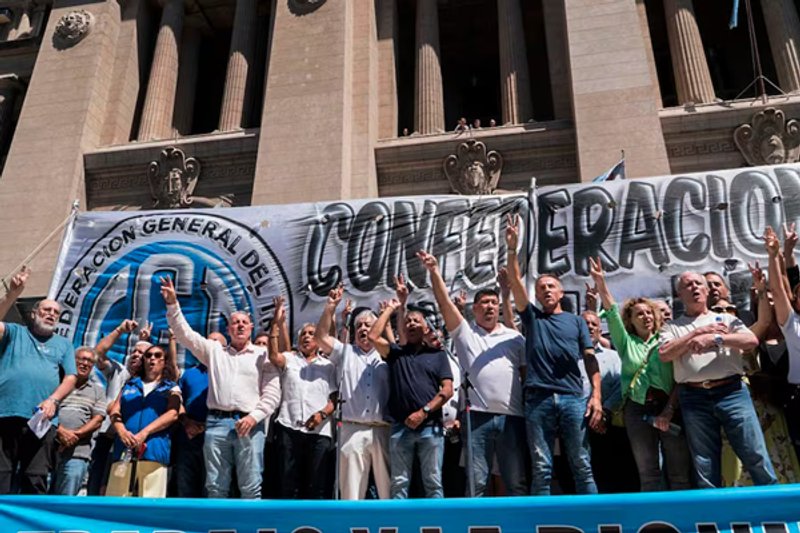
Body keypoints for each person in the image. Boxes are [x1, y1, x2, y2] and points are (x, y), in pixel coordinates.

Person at [505, 215, 603, 495]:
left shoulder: (577, 321)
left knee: (582, 463)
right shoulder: (533, 318)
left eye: (550, 286)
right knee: (542, 466)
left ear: (561, 293)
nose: (545, 290)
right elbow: (514, 281)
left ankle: (594, 520)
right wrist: (512, 249)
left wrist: (595, 396)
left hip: (573, 397)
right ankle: (541, 521)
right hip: (538, 399)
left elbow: (590, 359)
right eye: (540, 288)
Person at [417, 250, 527, 496]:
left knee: (516, 482)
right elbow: (444, 303)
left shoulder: (515, 338)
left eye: (494, 303)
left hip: (513, 417)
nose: (489, 307)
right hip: (476, 418)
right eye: (484, 303)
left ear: (499, 308)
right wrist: (434, 271)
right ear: (474, 309)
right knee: (476, 484)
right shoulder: (465, 334)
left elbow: (525, 376)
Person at [163, 277, 281, 499]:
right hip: (216, 424)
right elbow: (185, 335)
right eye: (235, 322)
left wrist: (254, 417)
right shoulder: (216, 352)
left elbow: (273, 394)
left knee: (251, 487)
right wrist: (172, 305)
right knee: (216, 487)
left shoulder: (264, 356)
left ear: (251, 328)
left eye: (244, 322)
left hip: (249, 424)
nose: (239, 326)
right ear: (228, 329)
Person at [659, 271, 777, 488]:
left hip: (731, 392)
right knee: (704, 463)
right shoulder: (672, 327)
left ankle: (776, 511)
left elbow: (750, 340)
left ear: (705, 290)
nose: (694, 287)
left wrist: (716, 338)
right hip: (693, 397)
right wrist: (697, 334)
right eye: (687, 285)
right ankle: (714, 517)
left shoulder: (726, 319)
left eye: (698, 283)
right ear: (679, 294)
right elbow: (665, 353)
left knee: (755, 452)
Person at [588, 257, 691, 491]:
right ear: (631, 322)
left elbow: (679, 377)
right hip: (637, 410)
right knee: (649, 473)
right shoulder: (625, 343)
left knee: (679, 472)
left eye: (648, 313)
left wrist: (669, 410)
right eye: (638, 314)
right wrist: (601, 283)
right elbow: (611, 312)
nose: (645, 317)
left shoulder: (669, 339)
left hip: (669, 407)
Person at [0, 267, 78, 494]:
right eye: (46, 309)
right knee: (1, 476)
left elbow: (71, 377)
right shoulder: (15, 332)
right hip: (6, 414)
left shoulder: (63, 344)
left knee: (34, 478)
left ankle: (30, 530)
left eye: (56, 312)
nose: (52, 314)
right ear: (33, 313)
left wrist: (53, 400)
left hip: (41, 420)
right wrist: (13, 294)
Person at [368, 298, 454, 499]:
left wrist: (423, 412)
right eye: (408, 322)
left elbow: (447, 390)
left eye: (416, 321)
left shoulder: (438, 355)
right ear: (403, 330)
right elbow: (373, 336)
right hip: (400, 427)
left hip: (430, 427)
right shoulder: (396, 354)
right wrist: (390, 308)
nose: (411, 324)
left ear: (426, 328)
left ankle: (436, 527)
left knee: (433, 483)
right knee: (399, 484)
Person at [313, 286, 391, 500]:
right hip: (352, 428)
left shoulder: (387, 355)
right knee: (351, 491)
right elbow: (321, 338)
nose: (363, 328)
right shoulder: (345, 352)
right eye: (359, 325)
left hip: (383, 430)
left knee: (388, 491)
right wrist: (330, 307)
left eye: (368, 325)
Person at [269, 308, 337, 499]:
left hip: (319, 431)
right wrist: (275, 323)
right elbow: (274, 356)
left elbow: (334, 398)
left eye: (312, 334)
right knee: (287, 482)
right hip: (288, 427)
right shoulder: (290, 359)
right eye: (304, 334)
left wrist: (322, 415)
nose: (307, 337)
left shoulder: (328, 365)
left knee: (317, 483)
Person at [106, 344, 181, 497]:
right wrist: (121, 431)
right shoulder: (130, 384)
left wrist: (145, 432)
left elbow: (173, 414)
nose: (152, 358)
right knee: (117, 500)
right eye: (148, 355)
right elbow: (114, 410)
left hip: (153, 451)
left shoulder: (171, 387)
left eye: (158, 355)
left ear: (164, 361)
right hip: (124, 450)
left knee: (150, 501)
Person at [88, 319, 150, 495]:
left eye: (142, 353)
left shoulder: (151, 382)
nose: (136, 355)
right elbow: (97, 354)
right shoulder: (119, 371)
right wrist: (120, 329)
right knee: (97, 480)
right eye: (134, 351)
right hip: (107, 435)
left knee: (124, 485)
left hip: (132, 437)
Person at [581, 310, 639, 493]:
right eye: (585, 324)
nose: (590, 327)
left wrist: (603, 411)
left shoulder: (614, 356)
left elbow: (622, 386)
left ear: (600, 330)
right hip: (578, 422)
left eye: (594, 324)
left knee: (613, 473)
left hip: (609, 423)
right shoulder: (568, 358)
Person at [51, 347, 106, 495]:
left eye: (89, 361)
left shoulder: (97, 391)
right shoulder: (56, 383)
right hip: (48, 449)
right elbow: (44, 410)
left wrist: (74, 435)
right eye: (81, 359)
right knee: (39, 494)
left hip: (78, 454)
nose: (84, 363)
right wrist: (60, 431)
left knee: (66, 500)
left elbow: (98, 419)